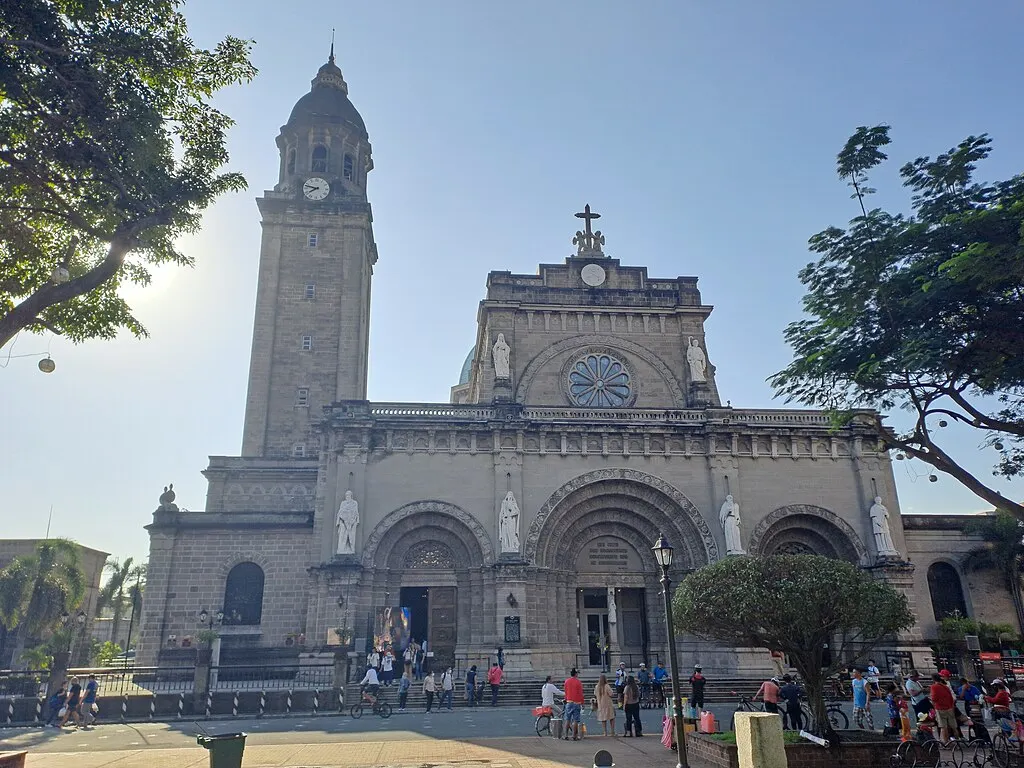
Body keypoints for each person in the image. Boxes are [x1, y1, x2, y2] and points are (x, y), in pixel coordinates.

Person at [930, 672, 958, 743]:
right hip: (949, 707)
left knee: (943, 727)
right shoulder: (945, 686)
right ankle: (957, 740)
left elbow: (934, 698)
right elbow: (951, 698)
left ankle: (945, 743)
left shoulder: (934, 687)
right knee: (953, 726)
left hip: (940, 708)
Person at [563, 668, 585, 741]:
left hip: (569, 702)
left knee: (567, 719)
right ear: (576, 674)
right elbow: (580, 693)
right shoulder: (578, 682)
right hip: (577, 702)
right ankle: (574, 735)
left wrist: (566, 699)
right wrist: (582, 702)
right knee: (575, 720)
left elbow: (566, 692)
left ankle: (566, 735)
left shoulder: (566, 681)